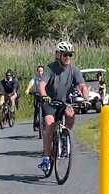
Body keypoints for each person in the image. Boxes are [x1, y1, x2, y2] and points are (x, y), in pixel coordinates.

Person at [38, 41, 90, 172]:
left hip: (64, 103)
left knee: (71, 114)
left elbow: (82, 86)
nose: (68, 58)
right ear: (58, 55)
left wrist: (86, 99)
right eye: (65, 55)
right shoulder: (50, 68)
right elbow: (42, 85)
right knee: (49, 123)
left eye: (70, 55)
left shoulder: (74, 70)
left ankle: (64, 136)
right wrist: (44, 95)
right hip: (50, 102)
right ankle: (46, 156)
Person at [25, 65, 45, 131]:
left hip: (44, 95)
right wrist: (28, 89)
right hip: (37, 95)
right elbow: (31, 83)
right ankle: (35, 123)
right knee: (36, 109)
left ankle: (45, 122)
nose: (40, 72)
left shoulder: (46, 78)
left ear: (43, 71)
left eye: (41, 71)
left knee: (46, 109)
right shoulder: (35, 78)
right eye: (39, 71)